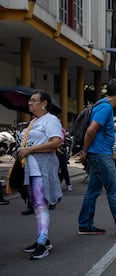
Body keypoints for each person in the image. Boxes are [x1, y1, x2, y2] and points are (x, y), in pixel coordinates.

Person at [78, 79, 116, 236]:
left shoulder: (101, 105)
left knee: (93, 190)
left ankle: (85, 224)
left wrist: (87, 151)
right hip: (101, 154)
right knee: (114, 189)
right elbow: (91, 131)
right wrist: (84, 151)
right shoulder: (105, 108)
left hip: (97, 154)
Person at [17, 90, 63, 260]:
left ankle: (42, 243)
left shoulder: (51, 120)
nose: (30, 103)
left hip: (42, 169)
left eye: (34, 100)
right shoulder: (34, 121)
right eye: (30, 100)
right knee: (36, 205)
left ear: (44, 103)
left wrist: (30, 149)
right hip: (30, 169)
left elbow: (56, 142)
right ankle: (42, 239)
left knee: (40, 204)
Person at [57, 128, 72, 192]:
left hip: (62, 150)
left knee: (64, 168)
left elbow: (64, 138)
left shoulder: (62, 130)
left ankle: (68, 184)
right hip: (53, 151)